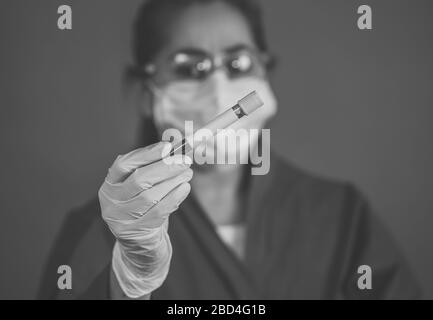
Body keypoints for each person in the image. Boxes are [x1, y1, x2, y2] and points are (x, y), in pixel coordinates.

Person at [39, 0, 420, 299]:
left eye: (239, 63)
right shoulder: (104, 228)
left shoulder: (341, 215)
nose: (220, 87)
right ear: (145, 91)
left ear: (264, 73)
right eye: (190, 67)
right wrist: (127, 286)